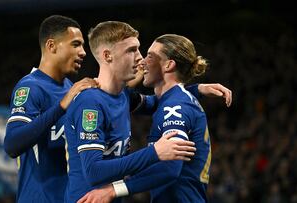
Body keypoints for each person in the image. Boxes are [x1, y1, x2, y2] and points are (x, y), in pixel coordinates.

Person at [64, 21, 231, 203]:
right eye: (131, 50)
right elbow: (94, 172)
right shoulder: (91, 103)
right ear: (107, 56)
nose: (140, 58)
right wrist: (155, 152)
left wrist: (193, 90)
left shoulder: (129, 98)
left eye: (142, 51)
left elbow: (164, 103)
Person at [3, 15, 99, 202]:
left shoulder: (69, 88)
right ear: (51, 46)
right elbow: (12, 144)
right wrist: (62, 106)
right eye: (76, 44)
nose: (83, 52)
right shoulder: (30, 87)